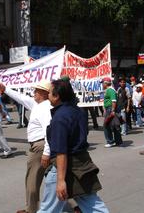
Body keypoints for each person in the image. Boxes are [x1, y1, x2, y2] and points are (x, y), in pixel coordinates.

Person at [38, 79, 109, 213]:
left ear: (57, 96)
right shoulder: (78, 111)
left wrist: (60, 181)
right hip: (83, 165)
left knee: (48, 210)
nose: (47, 95)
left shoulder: (60, 117)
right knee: (93, 205)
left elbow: (61, 152)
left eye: (50, 92)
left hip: (66, 167)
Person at [0, 80, 52, 213]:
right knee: (54, 177)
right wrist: (5, 89)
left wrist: (46, 152)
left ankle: (31, 210)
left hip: (40, 146)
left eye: (36, 91)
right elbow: (21, 98)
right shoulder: (38, 104)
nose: (34, 93)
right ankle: (75, 204)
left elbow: (49, 131)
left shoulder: (45, 107)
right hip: (42, 146)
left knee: (32, 179)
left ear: (44, 93)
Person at [102, 77, 122, 148]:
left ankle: (110, 141)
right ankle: (118, 141)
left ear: (105, 83)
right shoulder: (109, 90)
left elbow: (114, 101)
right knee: (114, 125)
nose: (102, 85)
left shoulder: (110, 90)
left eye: (102, 83)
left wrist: (112, 110)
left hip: (110, 109)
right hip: (109, 109)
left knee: (106, 125)